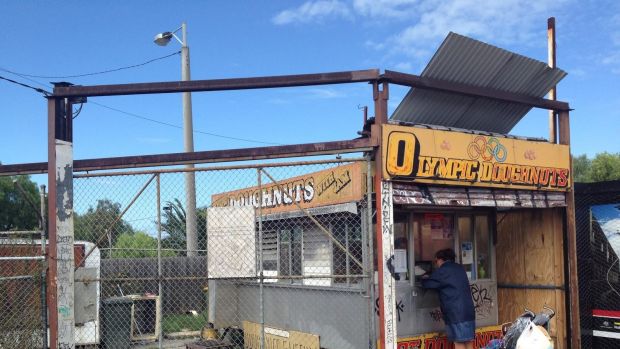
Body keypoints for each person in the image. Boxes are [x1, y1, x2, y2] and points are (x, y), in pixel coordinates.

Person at [422, 248, 475, 349]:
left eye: (436, 261)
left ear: (441, 259)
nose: (436, 263)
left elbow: (428, 284)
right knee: (468, 341)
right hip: (468, 311)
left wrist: (423, 278)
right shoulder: (460, 268)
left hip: (456, 313)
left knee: (458, 342)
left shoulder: (443, 271)